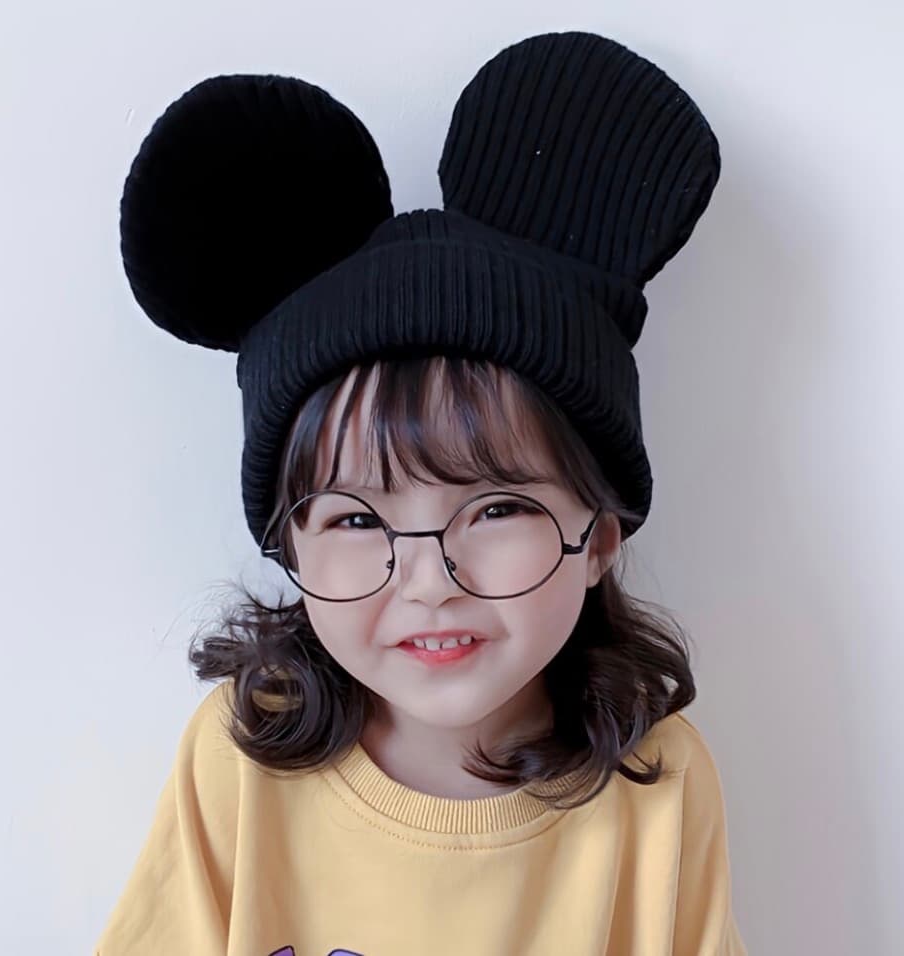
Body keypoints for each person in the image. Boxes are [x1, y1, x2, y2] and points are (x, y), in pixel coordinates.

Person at [95, 29, 747, 955]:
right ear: (290, 543)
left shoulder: (657, 779)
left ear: (600, 535)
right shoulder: (242, 754)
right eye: (358, 518)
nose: (430, 581)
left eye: (496, 509)